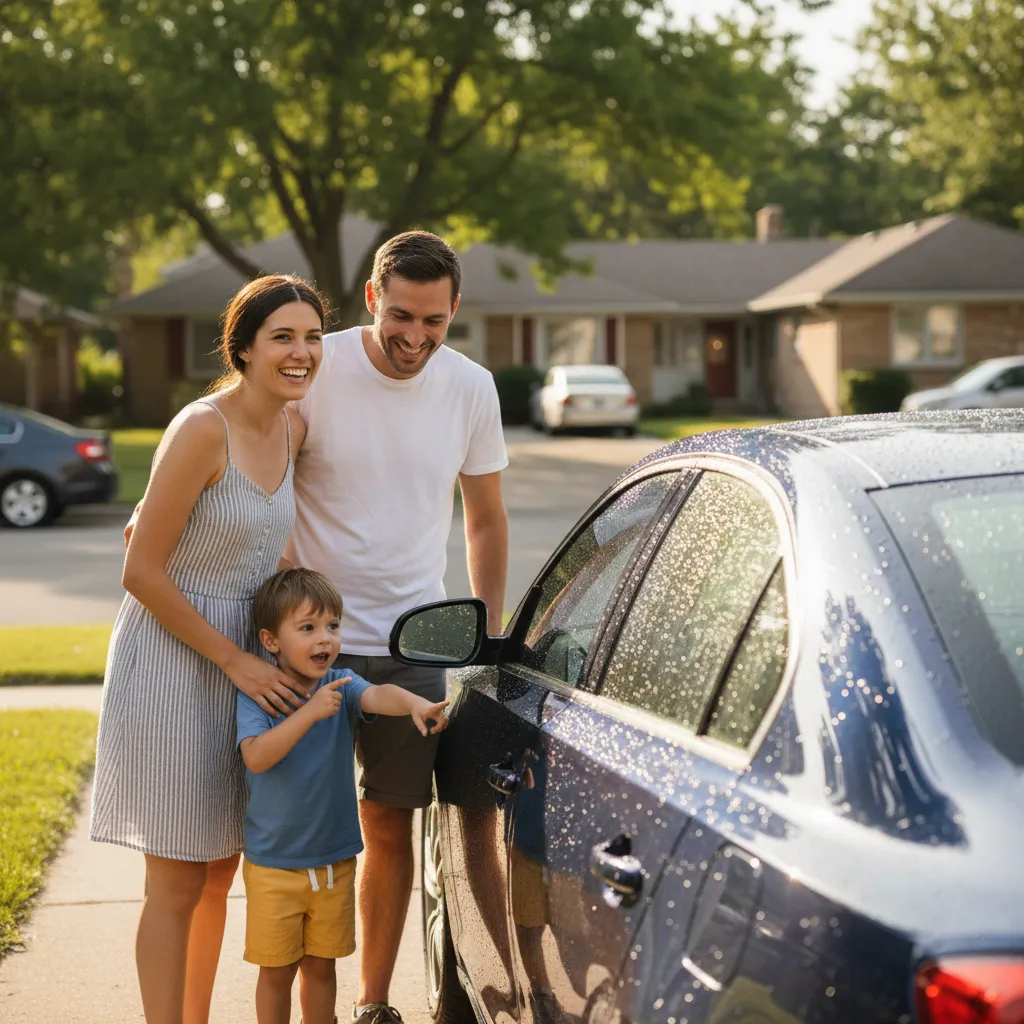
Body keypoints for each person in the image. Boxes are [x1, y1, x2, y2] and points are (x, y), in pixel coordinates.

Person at [282, 230, 509, 1024]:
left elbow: (483, 518)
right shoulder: (317, 367)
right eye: (402, 316)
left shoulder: (470, 388)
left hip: (416, 646)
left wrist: (488, 633)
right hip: (309, 650)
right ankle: (300, 999)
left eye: (435, 322)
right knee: (301, 835)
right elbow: (238, 441)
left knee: (389, 824)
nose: (416, 337)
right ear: (374, 298)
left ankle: (373, 1003)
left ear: (454, 313)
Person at [91, 274, 327, 1024]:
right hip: (172, 661)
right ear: (245, 347)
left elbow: (265, 536)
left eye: (313, 337)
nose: (301, 352)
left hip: (248, 667)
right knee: (176, 878)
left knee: (220, 866)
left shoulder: (293, 428)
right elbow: (140, 568)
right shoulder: (201, 427)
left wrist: (302, 617)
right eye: (283, 337)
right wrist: (235, 661)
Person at [237, 567, 449, 1024]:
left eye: (332, 626)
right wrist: (310, 714)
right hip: (275, 864)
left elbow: (379, 695)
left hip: (333, 862)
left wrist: (413, 705)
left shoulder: (341, 683)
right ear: (271, 641)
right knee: (276, 972)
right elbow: (256, 757)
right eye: (308, 628)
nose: (325, 639)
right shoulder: (261, 696)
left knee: (321, 967)